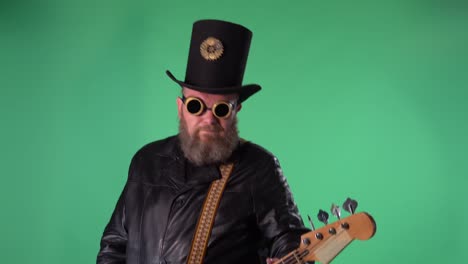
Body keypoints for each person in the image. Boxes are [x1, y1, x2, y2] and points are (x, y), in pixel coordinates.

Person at [97, 19, 308, 264]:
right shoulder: (146, 161)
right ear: (180, 108)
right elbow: (114, 246)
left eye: (221, 109)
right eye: (196, 105)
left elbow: (290, 241)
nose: (208, 118)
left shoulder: (259, 167)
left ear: (235, 111)